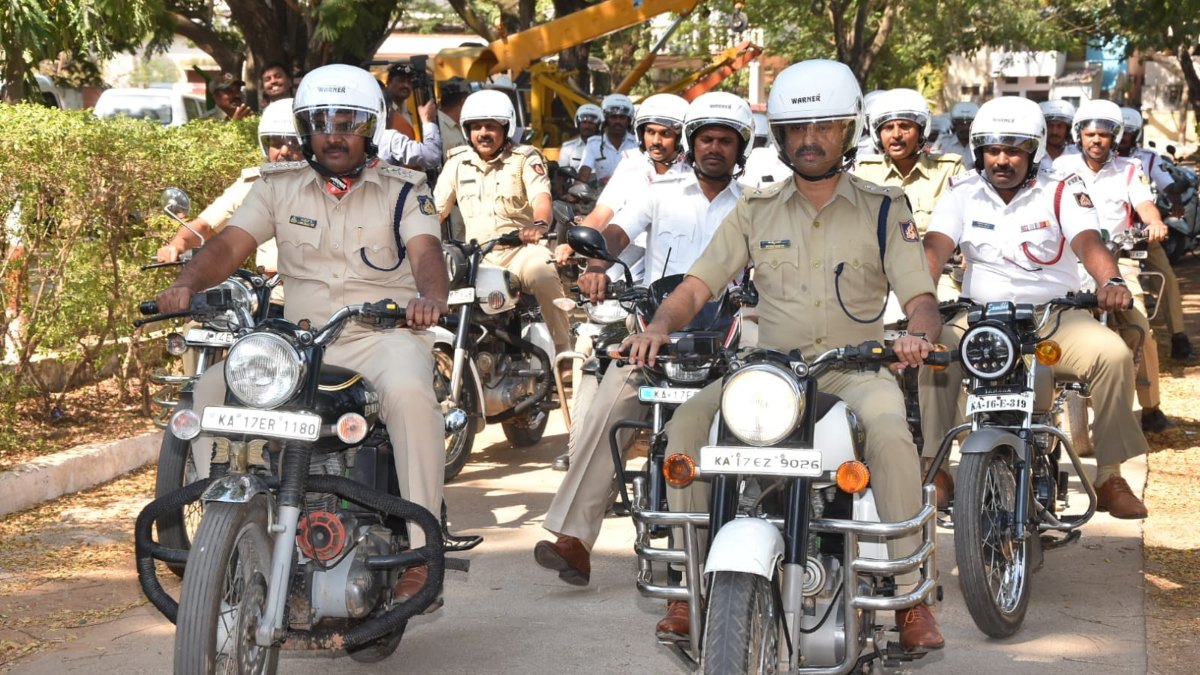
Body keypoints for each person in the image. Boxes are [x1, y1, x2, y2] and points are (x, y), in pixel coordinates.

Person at [623, 60, 945, 650]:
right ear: (781, 136)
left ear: (849, 131)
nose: (809, 139)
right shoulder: (756, 207)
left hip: (855, 369)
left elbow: (920, 297)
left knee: (891, 434)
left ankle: (909, 596)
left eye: (824, 127)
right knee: (684, 428)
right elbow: (697, 285)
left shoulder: (884, 205)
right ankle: (686, 589)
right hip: (768, 372)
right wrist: (659, 327)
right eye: (797, 128)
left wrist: (918, 336)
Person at [154, 64, 450, 606]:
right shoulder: (277, 186)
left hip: (383, 336)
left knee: (411, 395)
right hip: (300, 344)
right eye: (321, 123)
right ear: (305, 129)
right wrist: (186, 283)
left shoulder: (405, 190)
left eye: (348, 123)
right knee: (211, 391)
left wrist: (430, 297)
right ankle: (230, 523)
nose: (334, 135)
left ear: (370, 128)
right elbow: (229, 244)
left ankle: (420, 549)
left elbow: (427, 252)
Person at [534, 92, 753, 589]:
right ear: (691, 143)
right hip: (654, 334)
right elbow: (616, 232)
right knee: (609, 404)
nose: (714, 148)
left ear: (740, 149)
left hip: (726, 338)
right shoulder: (661, 192)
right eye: (706, 139)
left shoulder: (755, 204)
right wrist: (598, 265)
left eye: (725, 141)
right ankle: (574, 537)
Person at [919, 95, 1151, 522]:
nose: (1001, 160)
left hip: (1053, 317)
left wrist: (1112, 281)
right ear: (979, 152)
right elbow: (935, 248)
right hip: (981, 318)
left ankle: (1110, 476)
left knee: (1114, 354)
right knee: (934, 355)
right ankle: (936, 470)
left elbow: (1088, 242)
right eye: (992, 150)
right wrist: (920, 302)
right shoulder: (962, 191)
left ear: (1034, 150)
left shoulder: (1061, 189)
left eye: (1013, 150)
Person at [1053, 99, 1175, 433]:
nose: (1096, 140)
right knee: (1047, 322)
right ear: (1079, 135)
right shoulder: (1060, 166)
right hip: (1069, 262)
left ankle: (1150, 407)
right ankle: (1041, 405)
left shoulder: (1130, 168)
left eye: (1104, 135)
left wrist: (1154, 222)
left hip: (1117, 261)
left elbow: (1145, 204)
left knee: (1140, 327)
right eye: (1090, 134)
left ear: (1115, 137)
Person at [434, 89, 571, 357]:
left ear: (505, 128)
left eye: (491, 126)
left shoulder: (525, 158)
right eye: (476, 127)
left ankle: (563, 351)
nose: (483, 133)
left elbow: (541, 197)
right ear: (467, 130)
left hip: (520, 251)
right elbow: (436, 211)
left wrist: (539, 226)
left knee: (543, 272)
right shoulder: (457, 163)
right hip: (476, 257)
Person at [156, 98, 302, 265]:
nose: (284, 151)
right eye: (276, 143)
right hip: (268, 281)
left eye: (295, 144)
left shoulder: (324, 184)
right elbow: (205, 226)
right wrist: (177, 245)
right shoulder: (255, 183)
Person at [1116, 106, 1198, 363]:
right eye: (1121, 132)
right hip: (1105, 238)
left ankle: (1179, 338)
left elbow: (1166, 183)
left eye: (1129, 133)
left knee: (1168, 279)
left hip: (1141, 235)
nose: (1123, 138)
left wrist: (1175, 197)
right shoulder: (1095, 159)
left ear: (1136, 134)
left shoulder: (1146, 159)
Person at [854, 88, 964, 233]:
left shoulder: (949, 171)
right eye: (888, 127)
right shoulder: (863, 173)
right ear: (878, 134)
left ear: (921, 131)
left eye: (905, 126)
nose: (896, 134)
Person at [577, 93, 638, 185]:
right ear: (605, 120)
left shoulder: (637, 143)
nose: (618, 121)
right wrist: (577, 188)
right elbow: (583, 175)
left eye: (622, 117)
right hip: (602, 193)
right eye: (613, 117)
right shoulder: (593, 144)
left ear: (629, 120)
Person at [930, 101, 979, 170]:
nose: (965, 127)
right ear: (954, 124)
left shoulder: (981, 145)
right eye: (960, 123)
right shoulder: (943, 143)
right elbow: (933, 166)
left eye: (969, 124)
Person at [558, 103, 603, 173]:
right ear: (578, 124)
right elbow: (561, 173)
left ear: (598, 125)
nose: (587, 126)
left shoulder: (607, 148)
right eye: (584, 122)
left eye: (591, 123)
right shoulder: (568, 148)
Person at [1039, 99, 1077, 168]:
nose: (1055, 132)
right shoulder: (1034, 156)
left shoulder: (1077, 155)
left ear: (1067, 129)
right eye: (1050, 126)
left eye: (1060, 126)